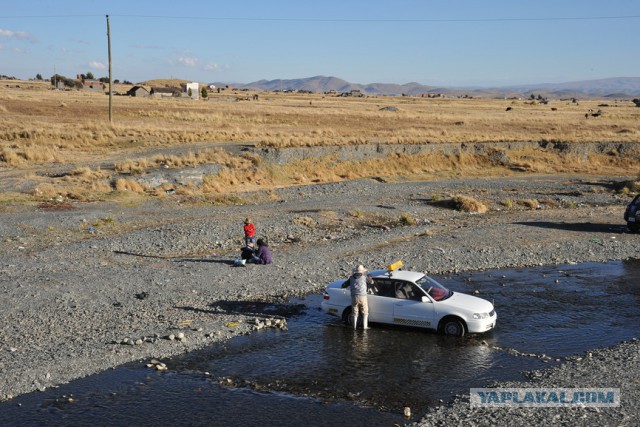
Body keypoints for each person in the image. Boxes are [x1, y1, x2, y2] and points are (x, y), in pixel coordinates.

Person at [349, 265, 373, 330]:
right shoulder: (365, 277)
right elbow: (371, 282)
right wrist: (370, 277)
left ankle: (354, 328)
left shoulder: (351, 278)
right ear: (362, 271)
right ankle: (365, 327)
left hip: (354, 296)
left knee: (354, 312)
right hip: (363, 296)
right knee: (365, 312)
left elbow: (344, 285)